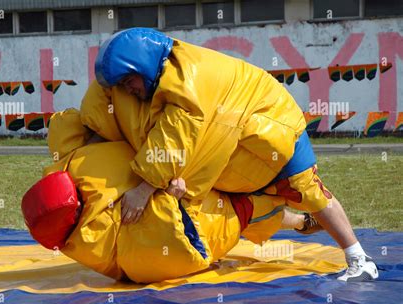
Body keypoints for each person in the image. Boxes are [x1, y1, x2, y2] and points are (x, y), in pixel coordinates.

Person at [89, 28, 378, 282]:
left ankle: (360, 260)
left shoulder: (186, 80)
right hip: (235, 151)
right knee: (241, 210)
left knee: (308, 191)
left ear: (143, 65)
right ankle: (302, 223)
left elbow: (177, 134)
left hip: (274, 131)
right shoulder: (159, 82)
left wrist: (146, 188)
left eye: (129, 80)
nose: (127, 89)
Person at [21, 108, 314, 283]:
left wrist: (104, 130)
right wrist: (173, 199)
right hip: (198, 221)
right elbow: (169, 247)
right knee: (249, 209)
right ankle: (301, 221)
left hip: (178, 169)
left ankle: (294, 205)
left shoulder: (73, 164)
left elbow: (70, 122)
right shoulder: (101, 241)